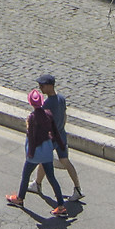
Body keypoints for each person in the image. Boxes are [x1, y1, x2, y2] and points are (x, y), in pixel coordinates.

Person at [9, 89, 62, 208]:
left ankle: (20, 198)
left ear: (30, 103)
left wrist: (30, 154)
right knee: (52, 178)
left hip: (35, 153)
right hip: (47, 151)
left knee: (25, 176)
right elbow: (55, 132)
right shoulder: (48, 114)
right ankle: (61, 206)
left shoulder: (32, 117)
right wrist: (60, 144)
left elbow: (32, 138)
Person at [37, 73, 82, 205]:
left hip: (51, 138)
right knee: (65, 161)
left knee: (44, 160)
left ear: (50, 86)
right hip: (61, 136)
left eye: (42, 85)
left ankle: (38, 184)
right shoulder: (61, 98)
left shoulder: (47, 103)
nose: (40, 88)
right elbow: (64, 116)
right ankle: (77, 188)